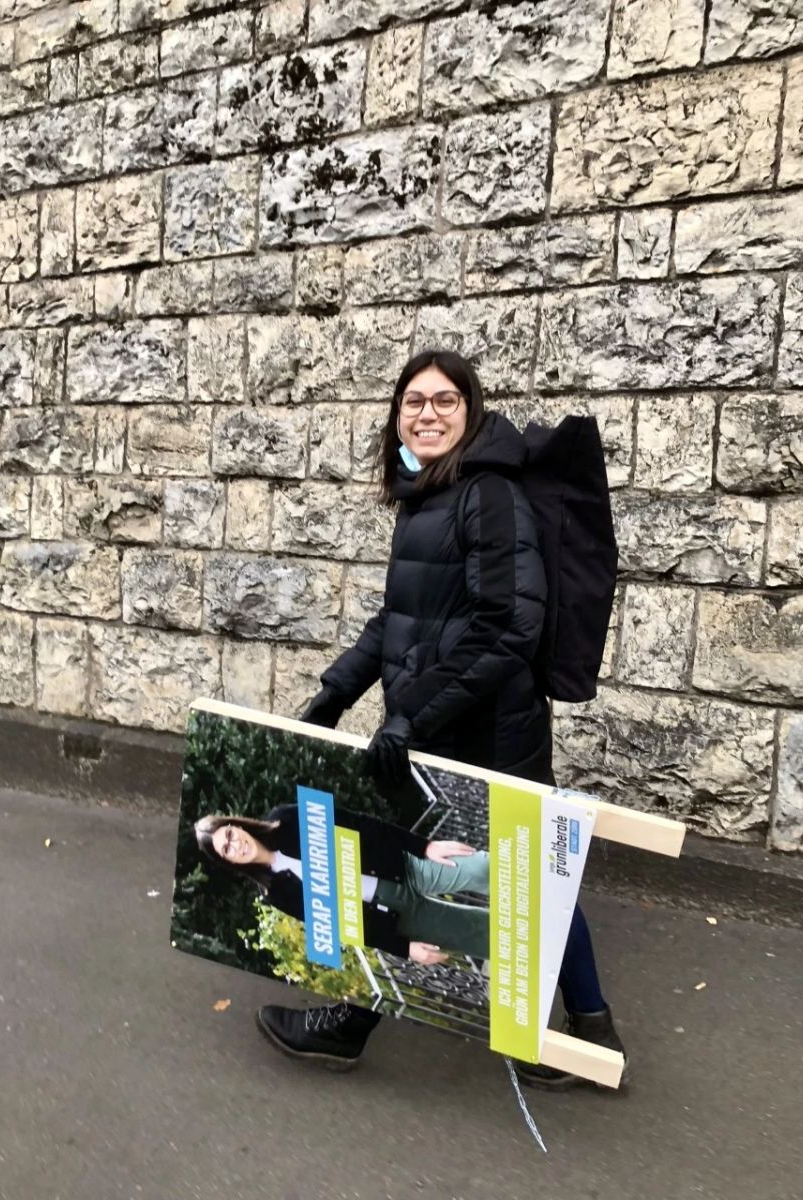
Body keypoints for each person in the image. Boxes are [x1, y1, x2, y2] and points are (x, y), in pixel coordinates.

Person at [255, 349, 625, 1087]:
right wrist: (337, 691)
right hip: (446, 725)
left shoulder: (487, 494)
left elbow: (510, 626)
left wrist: (409, 719)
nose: (427, 413)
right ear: (397, 418)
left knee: (410, 873)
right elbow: (401, 617)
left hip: (482, 731)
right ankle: (591, 1033)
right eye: (413, 402)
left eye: (445, 401)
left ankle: (348, 1026)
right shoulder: (431, 494)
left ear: (472, 411)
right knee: (527, 875)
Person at [195, 807, 491, 962]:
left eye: (230, 835)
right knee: (482, 936)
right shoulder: (276, 894)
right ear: (228, 862)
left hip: (403, 867)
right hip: (395, 914)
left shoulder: (285, 818)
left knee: (483, 868)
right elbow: (341, 924)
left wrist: (424, 846)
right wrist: (404, 949)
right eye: (226, 849)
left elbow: (359, 822)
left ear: (237, 825)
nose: (235, 845)